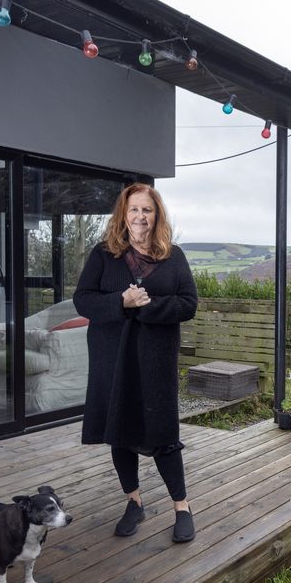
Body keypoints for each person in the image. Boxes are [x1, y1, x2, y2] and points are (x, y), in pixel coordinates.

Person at [74, 182, 198, 543]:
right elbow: (82, 300)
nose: (140, 217)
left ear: (156, 215)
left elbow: (188, 304)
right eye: (134, 210)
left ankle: (182, 507)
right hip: (112, 359)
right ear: (123, 215)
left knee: (162, 434)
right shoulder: (104, 254)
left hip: (155, 361)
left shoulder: (173, 256)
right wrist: (120, 302)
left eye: (147, 210)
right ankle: (134, 501)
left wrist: (148, 308)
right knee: (120, 432)